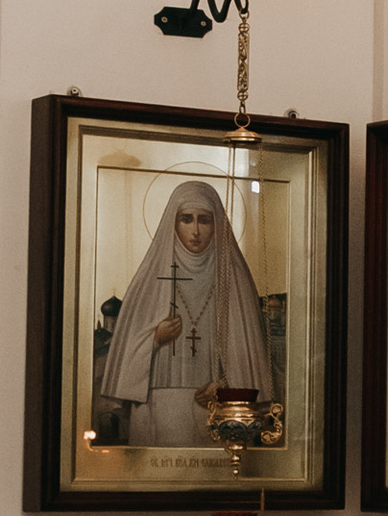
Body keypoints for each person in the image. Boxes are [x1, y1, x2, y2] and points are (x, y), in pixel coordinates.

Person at [97, 177, 275, 448]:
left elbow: (249, 361)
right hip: (158, 404)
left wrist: (225, 387)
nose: (196, 230)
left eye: (204, 220)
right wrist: (154, 338)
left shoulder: (234, 279)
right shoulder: (149, 280)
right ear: (173, 222)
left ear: (217, 225)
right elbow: (124, 361)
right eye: (186, 219)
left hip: (216, 408)